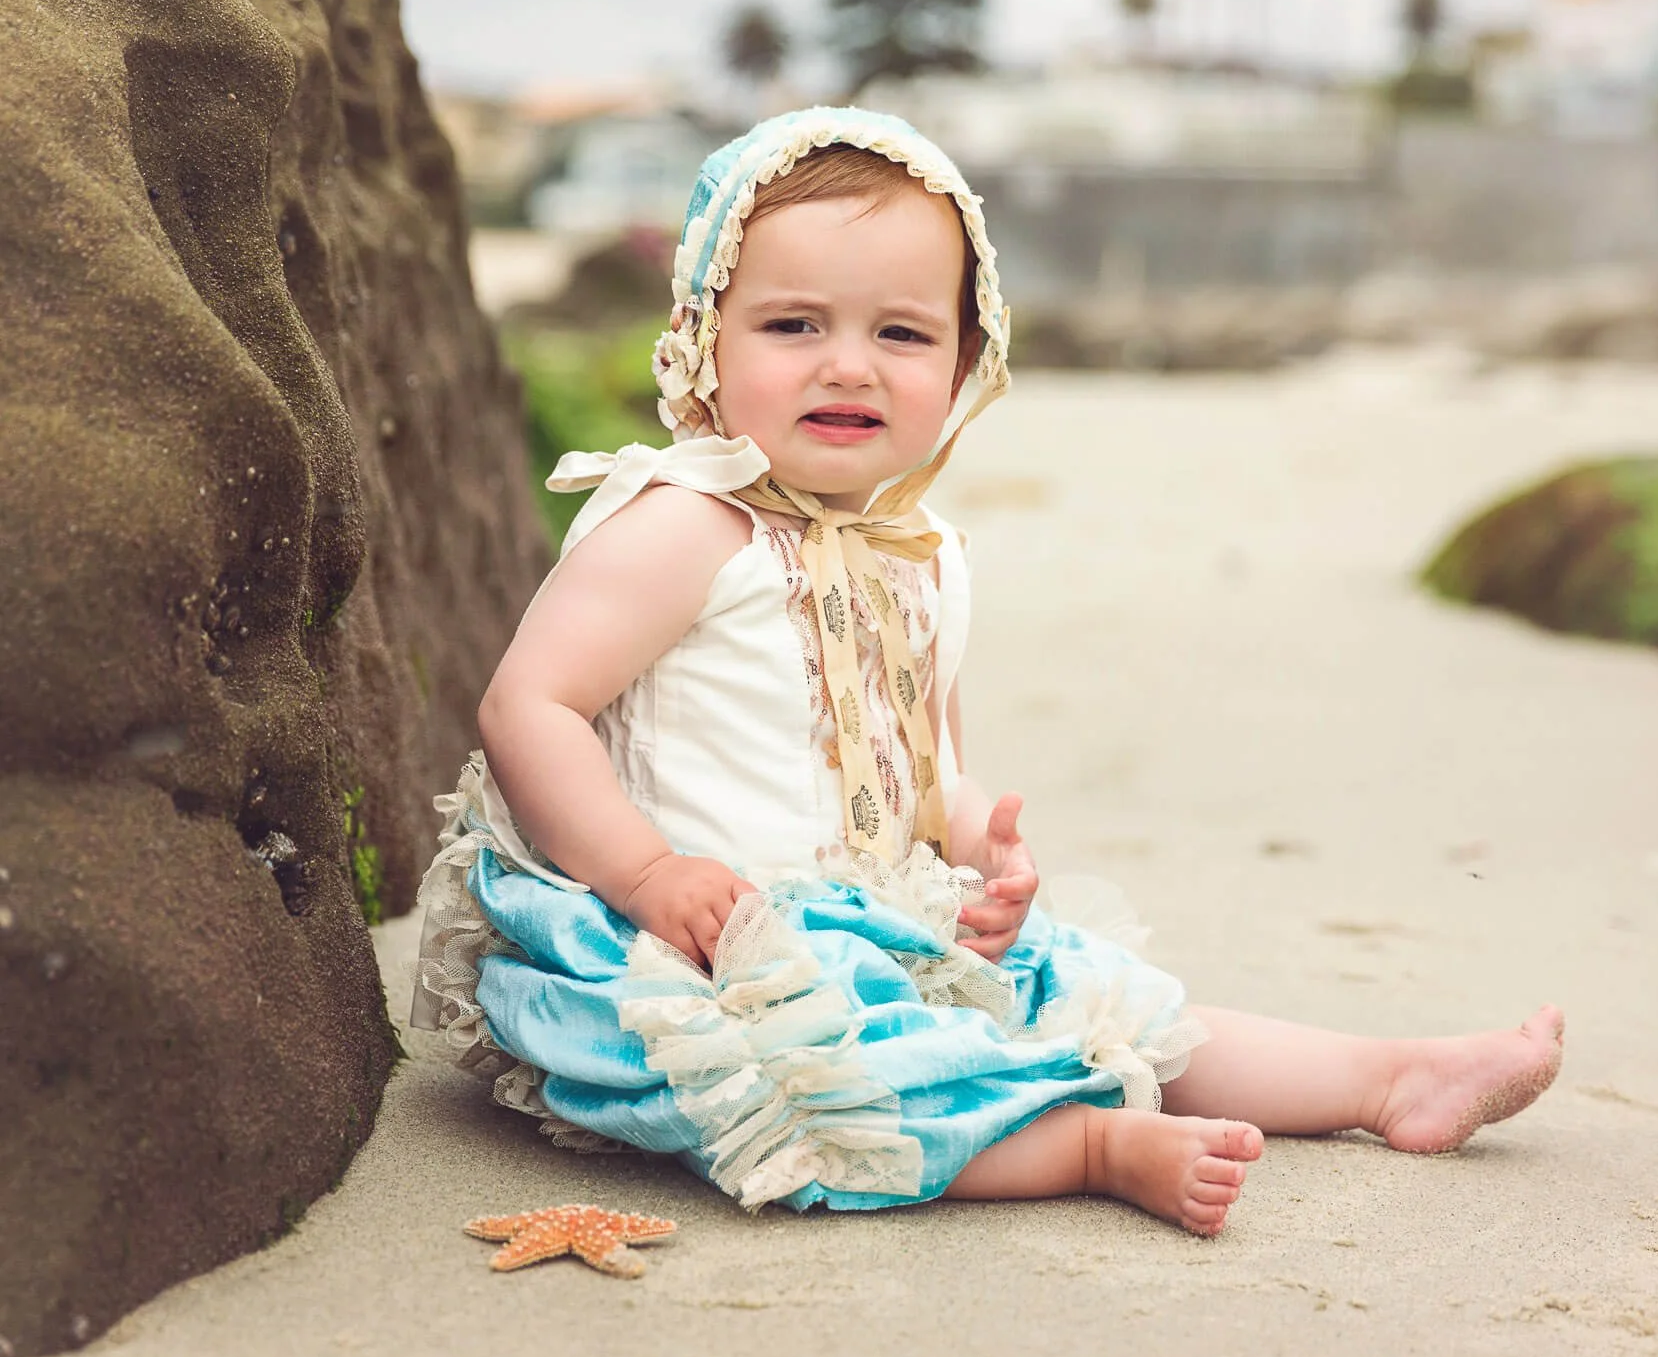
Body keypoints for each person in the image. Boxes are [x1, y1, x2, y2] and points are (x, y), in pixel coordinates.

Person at [412, 108, 1562, 1234]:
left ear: (967, 357)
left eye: (901, 334)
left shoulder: (926, 557)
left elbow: (922, 762)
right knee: (847, 1084)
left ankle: (1385, 1078)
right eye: (793, 326)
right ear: (703, 337)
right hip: (698, 938)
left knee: (1096, 995)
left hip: (880, 920)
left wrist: (972, 845)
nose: (847, 365)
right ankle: (1093, 1146)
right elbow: (530, 705)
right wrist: (647, 871)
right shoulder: (683, 525)